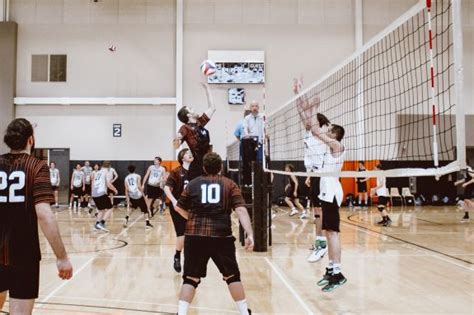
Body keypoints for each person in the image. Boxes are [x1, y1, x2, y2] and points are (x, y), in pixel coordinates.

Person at [0, 118, 73, 314]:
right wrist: (62, 257)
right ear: (30, 140)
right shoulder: (37, 167)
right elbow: (44, 214)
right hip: (23, 251)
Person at [174, 152, 253, 315]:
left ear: (203, 167)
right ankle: (245, 313)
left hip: (195, 236)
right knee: (232, 276)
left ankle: (181, 313)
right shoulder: (230, 184)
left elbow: (178, 206)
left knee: (190, 278)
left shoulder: (193, 184)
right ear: (221, 167)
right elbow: (240, 209)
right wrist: (250, 234)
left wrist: (191, 218)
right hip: (221, 236)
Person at [304, 99, 347, 292]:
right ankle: (331, 269)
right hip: (326, 192)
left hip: (332, 194)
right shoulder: (328, 151)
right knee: (329, 232)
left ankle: (337, 272)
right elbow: (314, 131)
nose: (326, 134)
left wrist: (313, 109)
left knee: (333, 233)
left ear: (335, 136)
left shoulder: (338, 147)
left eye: (329, 132)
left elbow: (316, 131)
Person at [293, 77, 329, 262]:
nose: (306, 122)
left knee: (320, 211)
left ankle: (322, 243)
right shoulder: (311, 133)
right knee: (317, 211)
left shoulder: (319, 133)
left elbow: (308, 113)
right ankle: (319, 240)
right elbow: (302, 112)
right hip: (314, 174)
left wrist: (305, 97)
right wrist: (297, 93)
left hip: (321, 176)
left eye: (310, 121)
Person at [173, 83, 216, 180]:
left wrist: (207, 89)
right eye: (191, 109)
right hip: (197, 167)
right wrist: (177, 139)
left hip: (208, 163)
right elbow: (176, 146)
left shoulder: (200, 123)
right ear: (188, 115)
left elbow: (213, 108)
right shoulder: (185, 128)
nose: (194, 109)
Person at [164, 148, 194, 273]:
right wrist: (174, 201)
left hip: (193, 207)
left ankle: (190, 260)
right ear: (182, 157)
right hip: (178, 207)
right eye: (188, 153)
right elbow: (166, 188)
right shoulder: (176, 172)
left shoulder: (196, 172)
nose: (190, 154)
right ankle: (177, 256)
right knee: (182, 234)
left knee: (192, 235)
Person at [91, 161, 118, 232]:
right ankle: (102, 223)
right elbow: (108, 184)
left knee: (101, 210)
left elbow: (93, 183)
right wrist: (115, 190)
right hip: (101, 193)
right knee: (110, 208)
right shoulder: (106, 172)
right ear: (109, 167)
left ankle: (97, 224)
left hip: (94, 193)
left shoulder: (97, 173)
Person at [124, 165, 153, 229]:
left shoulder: (126, 178)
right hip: (138, 195)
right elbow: (139, 186)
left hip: (132, 195)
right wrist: (143, 194)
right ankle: (147, 223)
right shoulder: (137, 176)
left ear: (128, 170)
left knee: (132, 208)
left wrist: (127, 199)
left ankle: (126, 219)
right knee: (145, 209)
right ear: (135, 169)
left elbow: (126, 189)